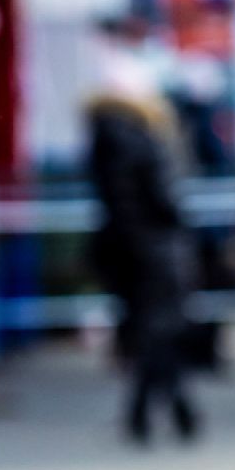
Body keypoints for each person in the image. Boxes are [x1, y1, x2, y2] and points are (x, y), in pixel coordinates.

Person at [85, 90, 201, 445]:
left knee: (151, 330)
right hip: (155, 250)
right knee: (161, 331)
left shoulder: (104, 143)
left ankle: (165, 410)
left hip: (126, 252)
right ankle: (160, 410)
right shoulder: (140, 143)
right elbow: (163, 200)